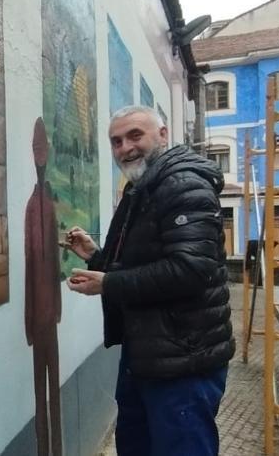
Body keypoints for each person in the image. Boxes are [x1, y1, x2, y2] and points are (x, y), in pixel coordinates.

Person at [65, 106, 233, 456]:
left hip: (185, 362)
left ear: (163, 135)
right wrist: (97, 257)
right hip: (148, 353)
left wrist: (107, 284)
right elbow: (146, 262)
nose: (125, 148)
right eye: (116, 141)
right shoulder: (142, 188)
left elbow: (190, 271)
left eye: (135, 136)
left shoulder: (183, 185)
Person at [24, 118, 63, 456]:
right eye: (36, 153)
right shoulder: (31, 207)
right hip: (38, 318)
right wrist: (28, 324)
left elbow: (55, 264)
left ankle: (56, 448)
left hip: (50, 316)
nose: (40, 159)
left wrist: (58, 308)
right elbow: (28, 271)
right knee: (40, 391)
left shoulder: (47, 204)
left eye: (43, 153)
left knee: (54, 390)